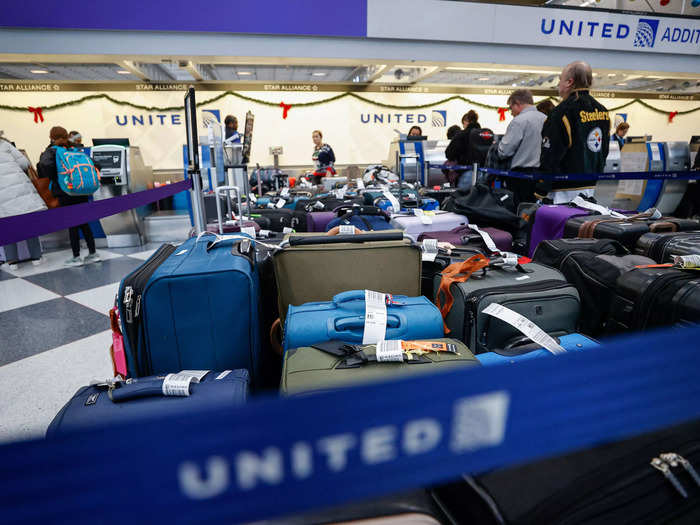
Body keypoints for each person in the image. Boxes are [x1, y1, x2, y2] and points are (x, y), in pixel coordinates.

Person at [540, 61, 610, 202]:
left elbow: (551, 154)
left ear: (569, 82)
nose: (558, 84)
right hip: (590, 187)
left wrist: (540, 188)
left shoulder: (561, 112)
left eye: (560, 80)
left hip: (562, 190)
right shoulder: (602, 110)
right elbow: (604, 149)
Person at [37, 126, 100, 267]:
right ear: (66, 135)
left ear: (51, 137)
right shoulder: (75, 149)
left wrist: (56, 177)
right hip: (82, 190)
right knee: (84, 223)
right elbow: (96, 164)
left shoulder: (52, 151)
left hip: (65, 191)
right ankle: (93, 254)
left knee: (72, 225)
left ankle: (76, 257)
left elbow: (44, 166)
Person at [0, 135, 47, 269]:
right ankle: (36, 257)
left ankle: (12, 262)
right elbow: (24, 163)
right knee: (28, 225)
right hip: (20, 189)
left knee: (6, 228)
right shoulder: (4, 143)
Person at [496, 89, 547, 204]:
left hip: (521, 177)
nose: (511, 112)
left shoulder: (518, 121)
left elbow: (504, 151)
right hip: (542, 175)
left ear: (517, 104)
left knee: (519, 211)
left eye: (511, 107)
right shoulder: (545, 118)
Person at [444, 110, 481, 187]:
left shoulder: (462, 135)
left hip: (466, 173)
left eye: (463, 124)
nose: (463, 127)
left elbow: (449, 153)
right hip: (484, 174)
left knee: (463, 197)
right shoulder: (484, 134)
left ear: (466, 121)